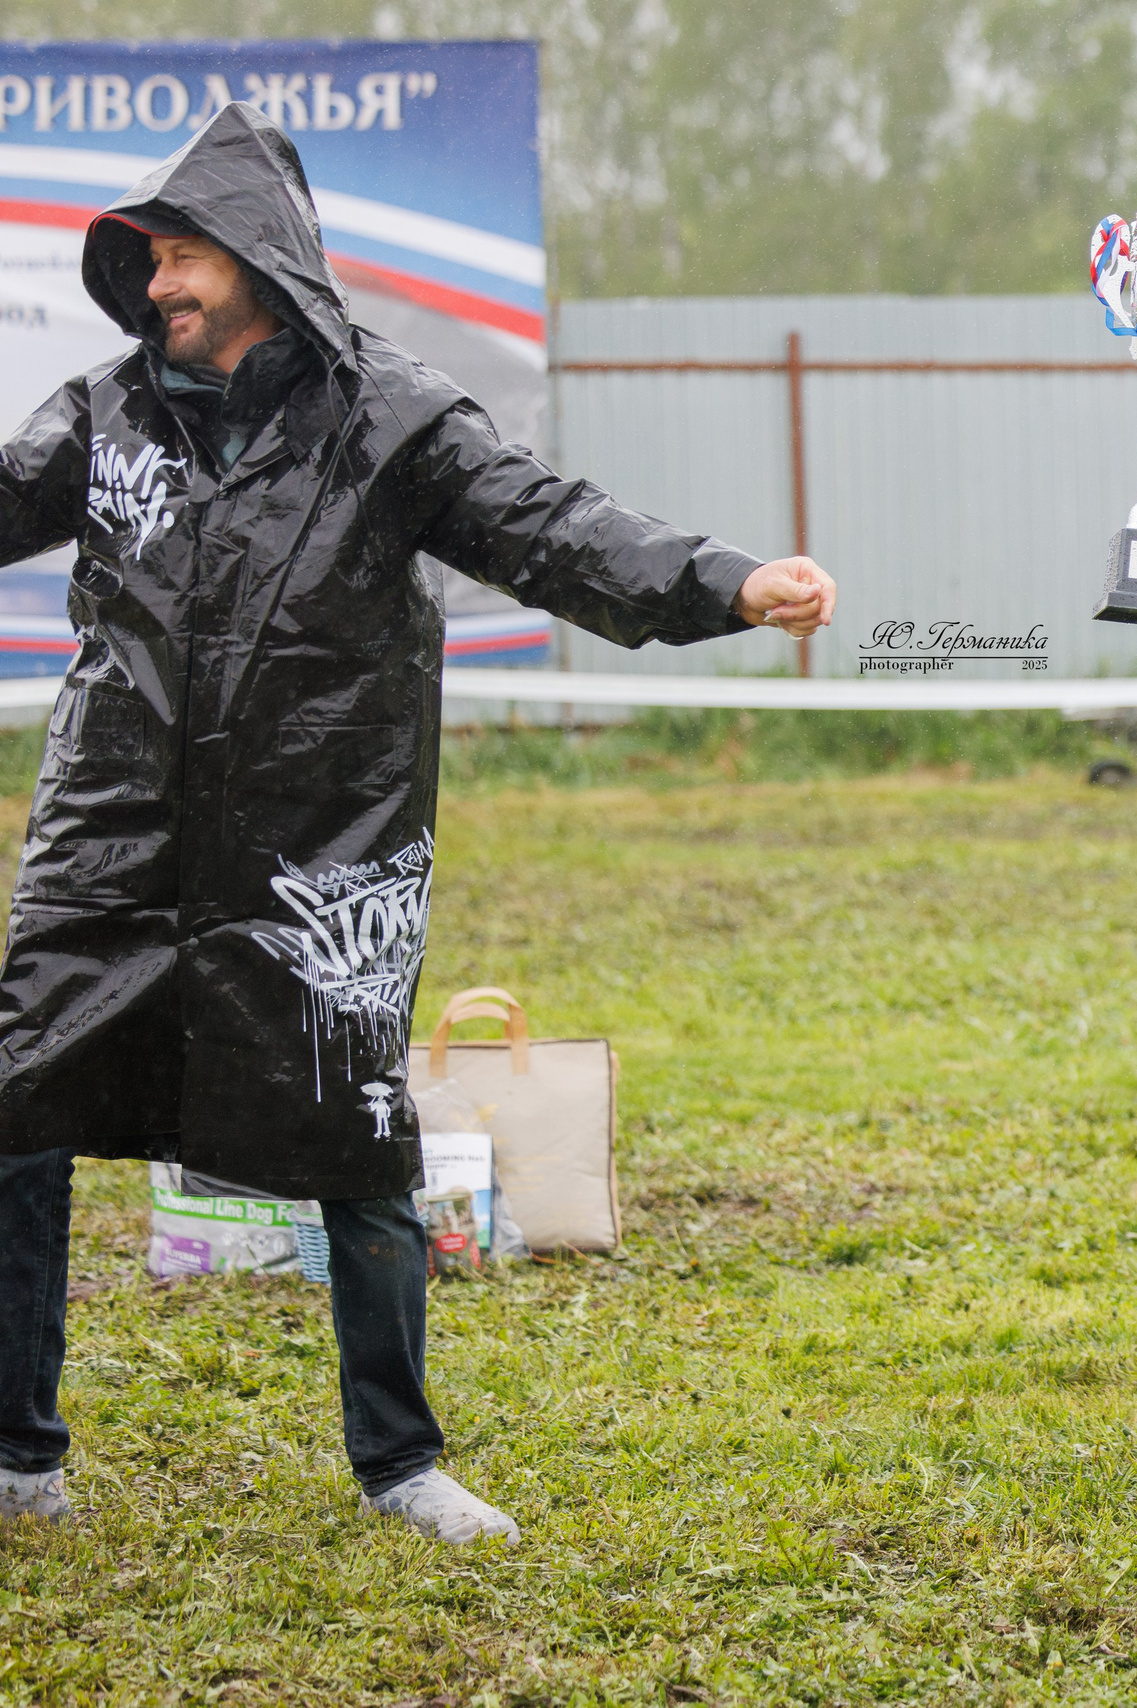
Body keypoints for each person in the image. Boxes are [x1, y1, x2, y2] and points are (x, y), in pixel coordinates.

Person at [0, 104, 835, 1543]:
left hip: (317, 856)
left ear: (260, 256)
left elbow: (550, 526)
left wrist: (724, 581)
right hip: (110, 840)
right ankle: (20, 1457)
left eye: (183, 255)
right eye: (145, 260)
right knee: (15, 1109)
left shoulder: (395, 420)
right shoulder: (105, 412)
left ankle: (398, 1463)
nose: (158, 285)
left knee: (361, 1147)